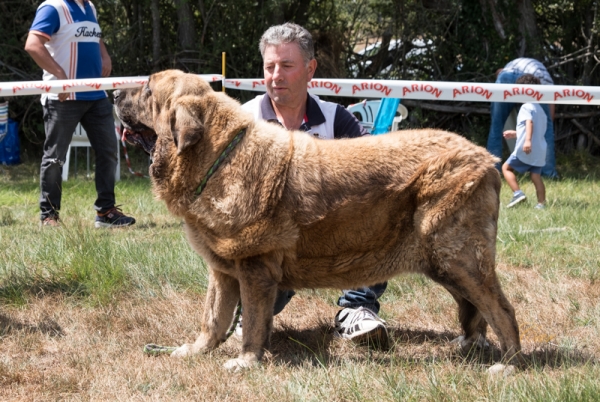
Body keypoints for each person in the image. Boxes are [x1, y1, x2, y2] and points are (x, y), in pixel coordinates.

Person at [240, 22, 388, 345]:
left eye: (287, 66)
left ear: (310, 70)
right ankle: (247, 313)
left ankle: (357, 308)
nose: (276, 75)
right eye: (269, 66)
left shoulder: (337, 118)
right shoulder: (244, 120)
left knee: (382, 218)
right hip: (267, 244)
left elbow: (374, 171)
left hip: (327, 233)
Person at [25, 0, 135, 228]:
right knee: (55, 158)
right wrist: (60, 76)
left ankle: (106, 213)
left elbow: (95, 36)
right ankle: (49, 216)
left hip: (95, 96)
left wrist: (105, 56)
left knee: (109, 152)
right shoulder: (53, 7)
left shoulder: (90, 8)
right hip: (62, 99)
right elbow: (33, 45)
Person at [487, 57, 558, 178]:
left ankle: (492, 174)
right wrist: (544, 126)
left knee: (496, 127)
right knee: (546, 130)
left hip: (504, 78)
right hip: (531, 79)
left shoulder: (507, 69)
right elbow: (549, 109)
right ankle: (548, 174)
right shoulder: (543, 75)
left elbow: (500, 73)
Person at [502, 74, 547, 209]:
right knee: (536, 177)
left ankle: (518, 193)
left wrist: (527, 141)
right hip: (539, 150)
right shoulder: (540, 110)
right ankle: (541, 204)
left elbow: (529, 123)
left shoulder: (526, 107)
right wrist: (516, 133)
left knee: (506, 168)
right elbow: (536, 129)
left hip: (527, 148)